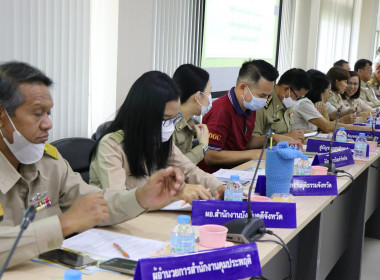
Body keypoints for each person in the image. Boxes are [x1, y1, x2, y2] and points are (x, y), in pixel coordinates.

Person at [0, 61, 185, 269]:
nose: (48, 124)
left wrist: (141, 197)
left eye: (48, 113)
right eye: (37, 113)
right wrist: (64, 224)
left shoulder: (50, 164)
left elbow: (96, 202)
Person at [89, 71, 224, 205]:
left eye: (174, 118)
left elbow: (188, 169)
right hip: (112, 222)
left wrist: (219, 186)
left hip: (148, 217)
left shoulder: (159, 140)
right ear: (143, 113)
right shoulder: (111, 146)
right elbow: (118, 201)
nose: (169, 126)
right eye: (166, 118)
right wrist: (174, 194)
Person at [198, 60, 301, 173]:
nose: (264, 100)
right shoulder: (221, 111)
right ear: (243, 87)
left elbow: (244, 141)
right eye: (262, 95)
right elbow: (210, 156)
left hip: (240, 171)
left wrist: (274, 137)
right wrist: (255, 154)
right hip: (216, 177)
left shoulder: (249, 106)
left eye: (267, 95)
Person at [292, 70, 371, 133]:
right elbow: (327, 127)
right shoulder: (304, 103)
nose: (329, 95)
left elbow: (334, 115)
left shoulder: (321, 102)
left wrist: (350, 111)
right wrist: (362, 129)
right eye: (328, 91)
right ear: (320, 91)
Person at [253, 68, 311, 142]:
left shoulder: (287, 103)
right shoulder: (262, 103)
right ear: (286, 89)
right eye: (297, 97)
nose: (296, 101)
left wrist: (298, 134)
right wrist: (285, 137)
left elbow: (285, 132)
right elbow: (252, 142)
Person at [172, 64, 211, 165]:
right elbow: (174, 169)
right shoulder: (167, 125)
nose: (210, 99)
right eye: (209, 93)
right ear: (198, 96)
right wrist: (202, 146)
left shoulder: (190, 122)